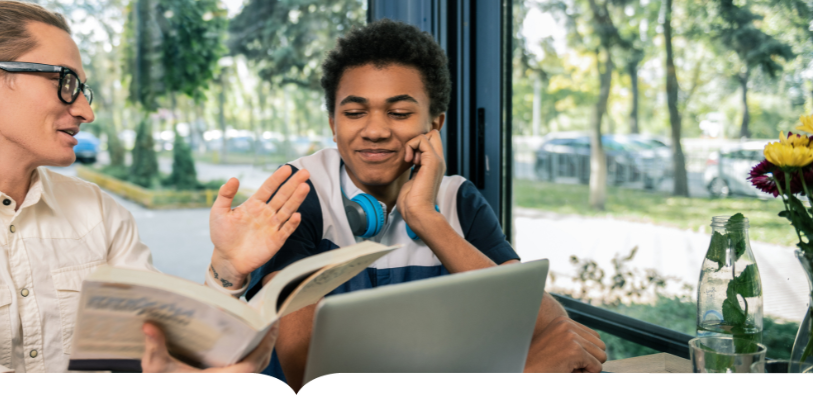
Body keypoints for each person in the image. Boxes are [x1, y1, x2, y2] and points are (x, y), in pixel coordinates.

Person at [0, 1, 310, 373]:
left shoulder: (98, 213)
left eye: (84, 89)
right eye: (66, 82)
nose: (86, 110)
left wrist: (225, 269)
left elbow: (161, 352)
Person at [244, 19, 607, 389]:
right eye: (354, 113)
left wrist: (425, 218)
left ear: (435, 124)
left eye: (399, 113)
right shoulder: (297, 193)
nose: (375, 130)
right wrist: (510, 376)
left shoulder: (459, 199)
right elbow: (307, 374)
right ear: (333, 124)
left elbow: (548, 329)